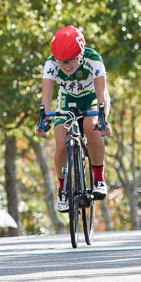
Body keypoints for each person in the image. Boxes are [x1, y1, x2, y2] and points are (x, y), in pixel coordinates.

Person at [35, 25, 111, 212]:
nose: (66, 66)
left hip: (91, 98)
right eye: (61, 62)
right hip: (67, 101)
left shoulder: (94, 61)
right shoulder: (51, 65)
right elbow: (47, 96)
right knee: (61, 144)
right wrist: (43, 120)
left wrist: (103, 120)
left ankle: (99, 178)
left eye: (70, 61)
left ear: (81, 55)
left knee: (90, 125)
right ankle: (63, 190)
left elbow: (102, 94)